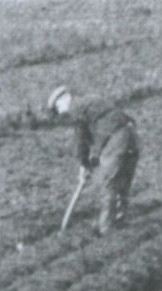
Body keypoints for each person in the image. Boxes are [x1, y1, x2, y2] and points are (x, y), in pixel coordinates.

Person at [46, 85, 140, 233]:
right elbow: (95, 132)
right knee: (122, 181)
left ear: (61, 102)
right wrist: (90, 161)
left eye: (58, 110)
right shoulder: (91, 100)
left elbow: (81, 138)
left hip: (116, 137)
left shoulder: (75, 108)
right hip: (131, 133)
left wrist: (84, 162)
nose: (62, 114)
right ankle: (121, 220)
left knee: (108, 183)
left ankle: (107, 228)